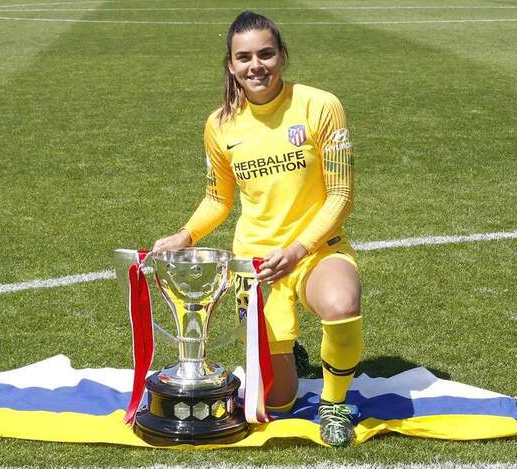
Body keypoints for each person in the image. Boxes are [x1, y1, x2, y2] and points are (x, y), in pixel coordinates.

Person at [153, 11, 362, 447]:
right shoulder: (220, 125)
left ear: (282, 56)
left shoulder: (321, 105)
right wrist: (184, 236)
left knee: (341, 305)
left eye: (266, 54)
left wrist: (301, 249)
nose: (256, 66)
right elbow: (218, 198)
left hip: (316, 250)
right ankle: (289, 355)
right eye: (244, 57)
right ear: (231, 65)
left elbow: (340, 196)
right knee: (277, 404)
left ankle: (335, 405)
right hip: (256, 266)